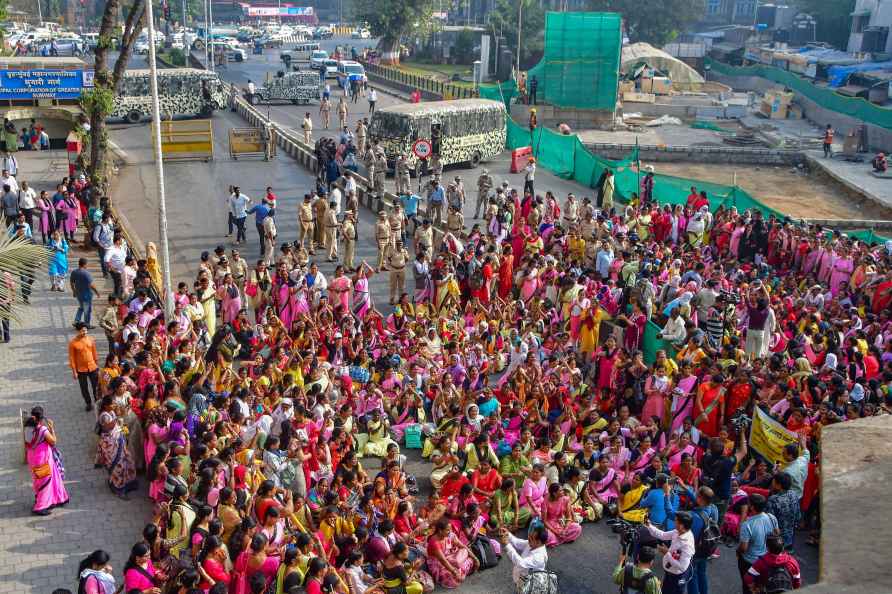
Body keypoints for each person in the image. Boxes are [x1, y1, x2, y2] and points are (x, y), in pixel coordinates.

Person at [23, 406, 69, 515]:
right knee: (45, 481)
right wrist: (52, 429)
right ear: (41, 417)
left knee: (38, 479)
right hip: (42, 458)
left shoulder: (27, 428)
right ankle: (40, 506)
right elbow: (53, 441)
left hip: (32, 457)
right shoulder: (42, 430)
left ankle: (53, 498)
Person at [737, 493, 780, 594]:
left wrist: (737, 551)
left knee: (748, 586)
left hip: (750, 561)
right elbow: (777, 533)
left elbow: (743, 548)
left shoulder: (747, 524)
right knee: (762, 585)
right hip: (767, 559)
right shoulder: (771, 517)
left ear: (751, 507)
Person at [645, 512, 695, 594]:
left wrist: (666, 553)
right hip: (670, 572)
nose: (674, 522)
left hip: (677, 577)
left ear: (681, 525)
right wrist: (649, 526)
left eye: (676, 521)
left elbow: (682, 567)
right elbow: (662, 535)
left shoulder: (687, 544)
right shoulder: (677, 532)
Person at [500, 522, 548, 589]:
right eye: (529, 536)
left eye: (531, 538)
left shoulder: (539, 557)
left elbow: (520, 563)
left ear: (538, 542)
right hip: (523, 579)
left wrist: (507, 545)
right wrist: (508, 534)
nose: (528, 539)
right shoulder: (533, 543)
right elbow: (518, 542)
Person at [68, 322, 99, 411]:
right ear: (78, 331)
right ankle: (88, 403)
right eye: (82, 331)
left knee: (95, 386)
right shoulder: (73, 343)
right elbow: (72, 357)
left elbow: (94, 353)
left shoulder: (91, 340)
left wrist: (97, 365)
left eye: (85, 330)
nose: (84, 332)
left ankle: (97, 401)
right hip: (81, 369)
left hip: (93, 367)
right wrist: (74, 371)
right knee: (84, 388)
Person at [69, 257, 100, 326]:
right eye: (87, 264)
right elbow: (92, 285)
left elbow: (71, 283)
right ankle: (87, 324)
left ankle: (76, 320)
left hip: (78, 294)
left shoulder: (74, 272)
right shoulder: (86, 273)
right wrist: (97, 292)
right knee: (87, 310)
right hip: (86, 295)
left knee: (81, 307)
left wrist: (74, 291)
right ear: (84, 264)